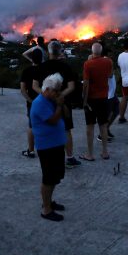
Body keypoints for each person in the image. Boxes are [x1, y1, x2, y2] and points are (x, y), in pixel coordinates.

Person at [32, 41, 81, 169]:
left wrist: (46, 95)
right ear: (60, 52)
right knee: (66, 129)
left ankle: (50, 158)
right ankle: (69, 158)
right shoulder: (65, 67)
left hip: (45, 103)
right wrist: (59, 96)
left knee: (47, 127)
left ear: (48, 52)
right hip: (62, 102)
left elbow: (34, 86)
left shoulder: (41, 67)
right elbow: (71, 87)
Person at [30, 73, 67, 222]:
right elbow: (52, 120)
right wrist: (59, 105)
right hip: (47, 146)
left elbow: (66, 115)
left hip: (56, 143)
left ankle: (49, 202)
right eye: (56, 91)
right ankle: (46, 209)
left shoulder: (50, 100)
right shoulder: (39, 103)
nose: (58, 93)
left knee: (55, 177)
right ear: (46, 89)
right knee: (48, 178)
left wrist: (61, 104)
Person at [80, 43, 112, 161]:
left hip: (91, 100)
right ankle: (105, 152)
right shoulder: (108, 62)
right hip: (104, 98)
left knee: (90, 126)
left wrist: (84, 100)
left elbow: (86, 84)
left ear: (92, 52)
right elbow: (110, 75)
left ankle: (90, 154)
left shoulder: (88, 64)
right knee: (103, 125)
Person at [19, 48, 43, 158]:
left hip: (32, 102)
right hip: (45, 101)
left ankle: (31, 150)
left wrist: (30, 101)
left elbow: (23, 89)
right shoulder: (45, 69)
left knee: (32, 126)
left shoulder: (27, 71)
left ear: (31, 59)